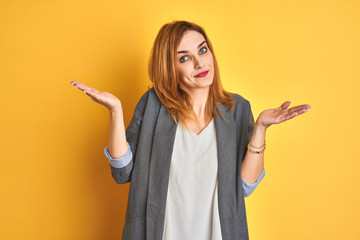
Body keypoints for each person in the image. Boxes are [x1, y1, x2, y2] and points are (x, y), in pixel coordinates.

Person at [70, 20, 311, 240]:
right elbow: (122, 172)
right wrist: (115, 111)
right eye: (184, 58)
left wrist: (260, 128)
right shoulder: (153, 105)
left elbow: (244, 186)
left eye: (202, 50)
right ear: (169, 68)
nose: (199, 63)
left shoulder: (236, 109)